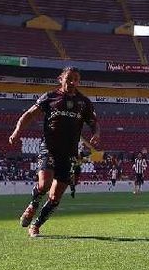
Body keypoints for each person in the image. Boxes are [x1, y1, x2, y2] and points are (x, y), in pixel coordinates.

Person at [9, 67, 100, 237]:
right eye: (69, 78)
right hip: (49, 148)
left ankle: (36, 225)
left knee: (55, 197)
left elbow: (94, 122)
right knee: (44, 184)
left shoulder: (84, 102)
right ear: (61, 79)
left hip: (70, 154)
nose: (72, 82)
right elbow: (29, 114)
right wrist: (17, 131)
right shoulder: (50, 97)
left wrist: (96, 133)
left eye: (76, 79)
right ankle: (33, 204)